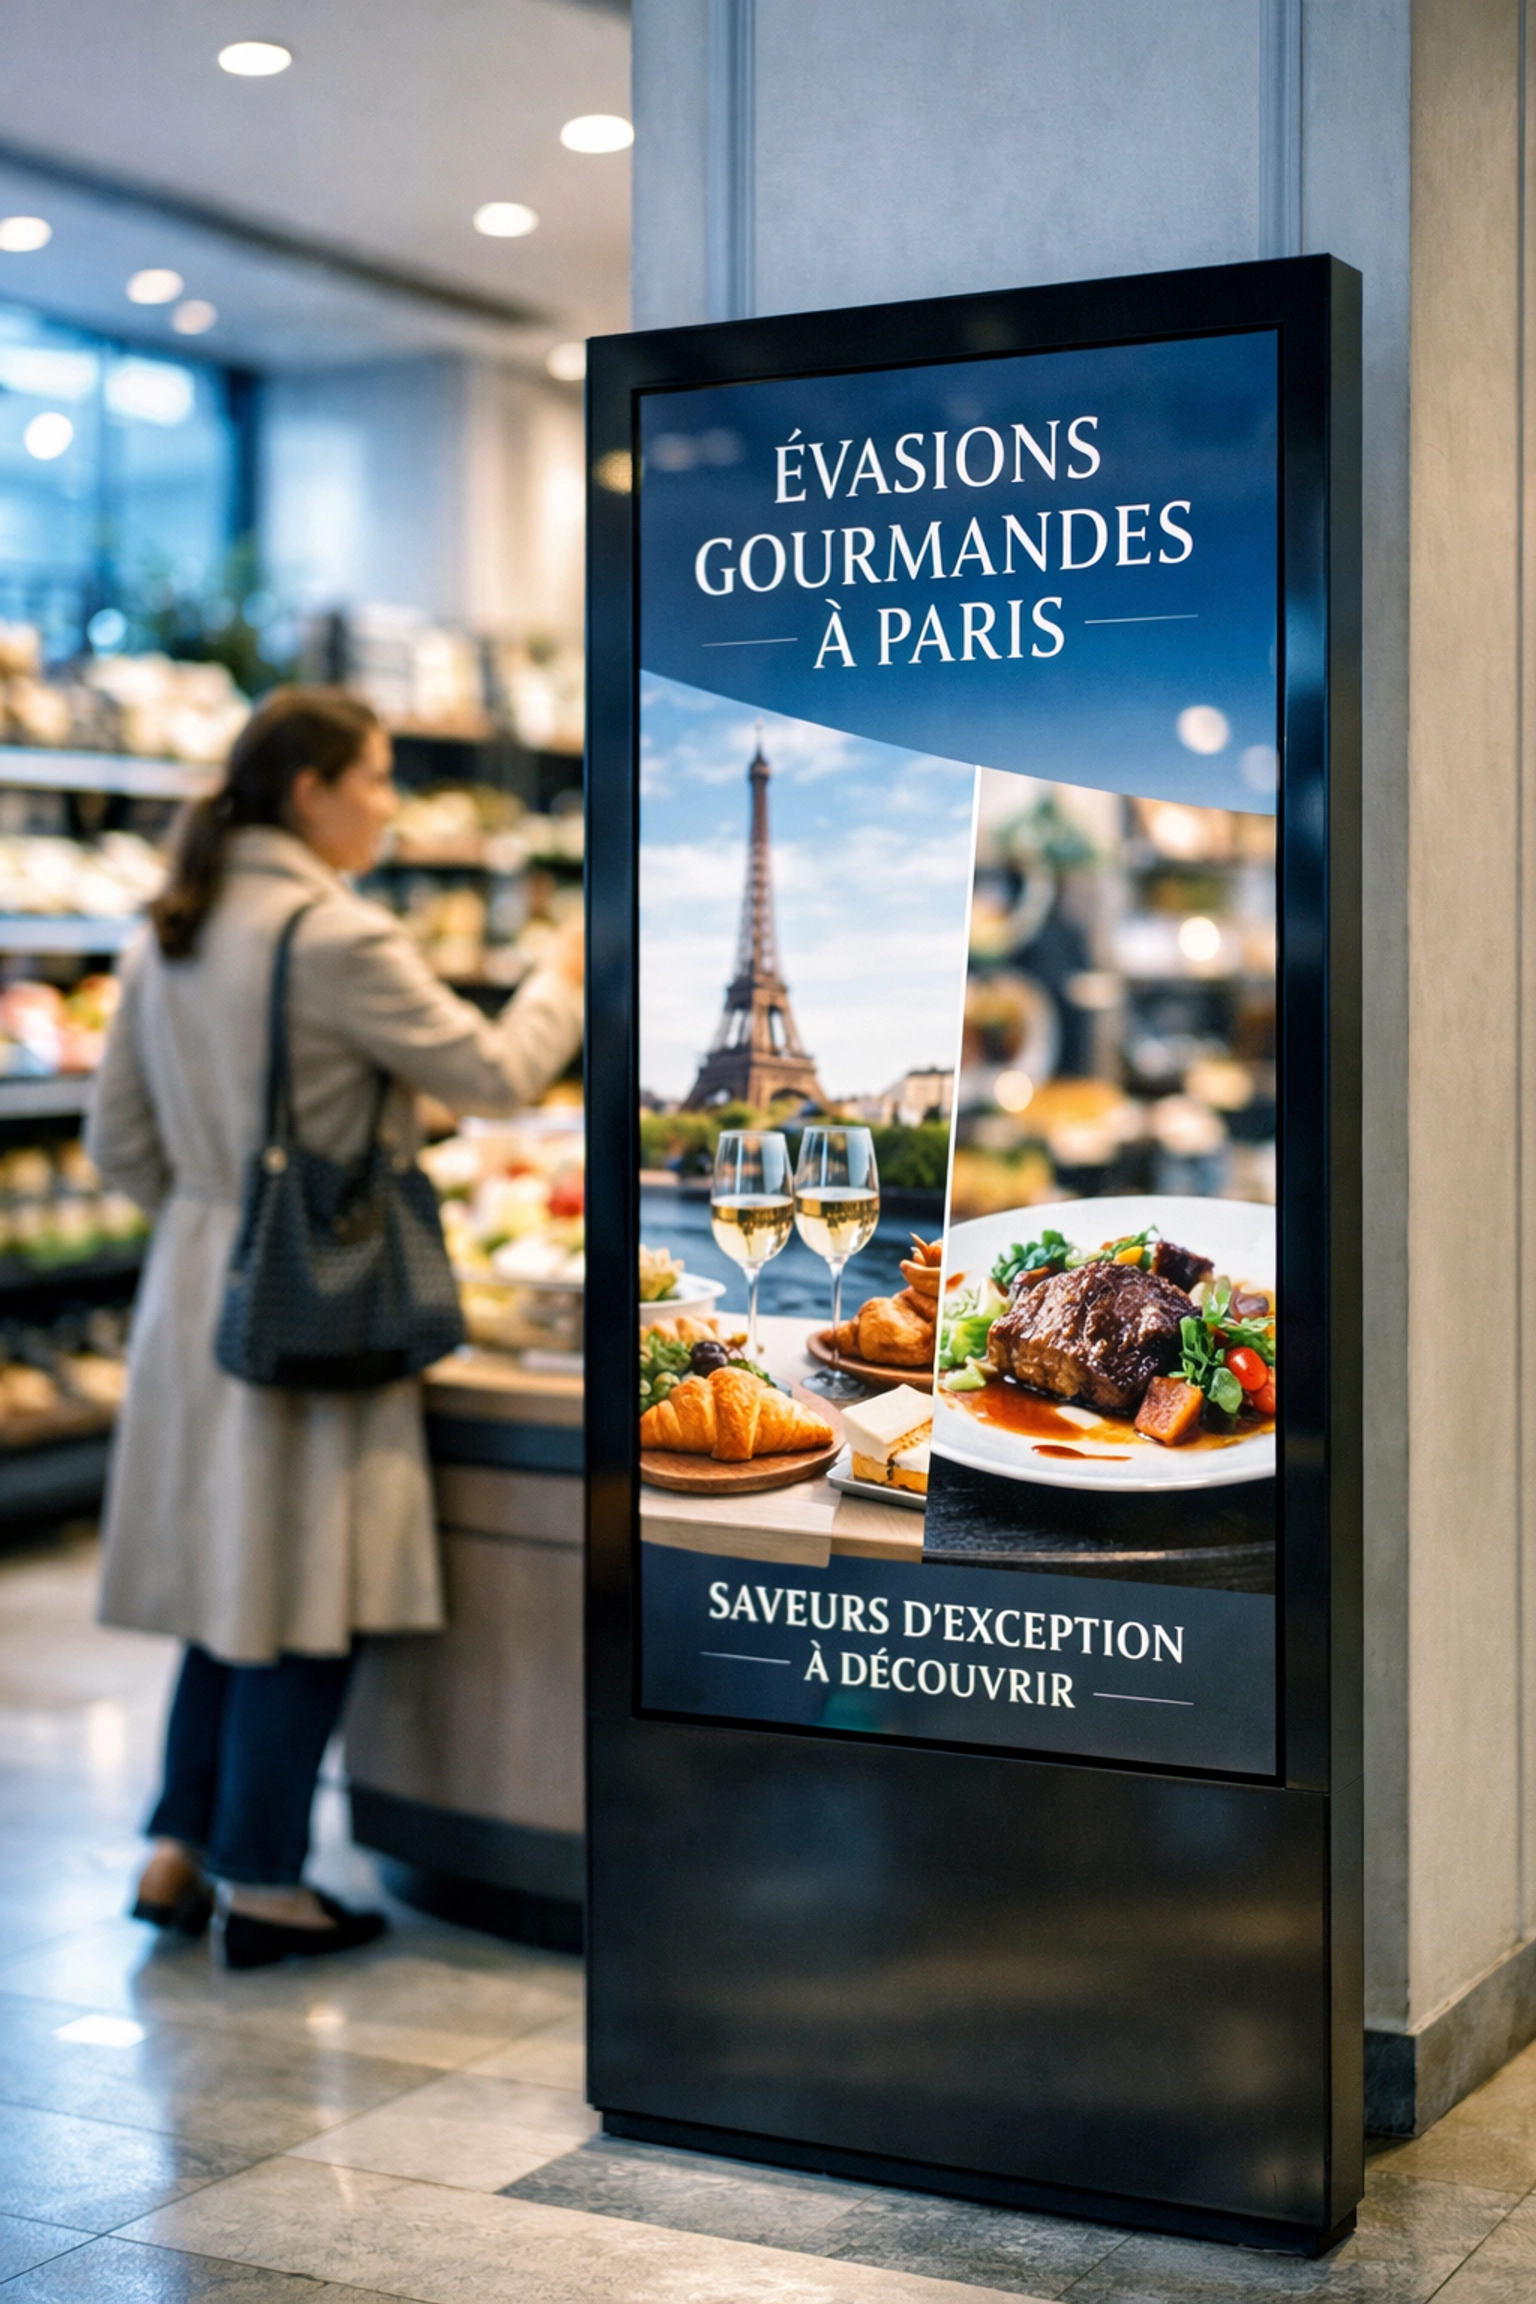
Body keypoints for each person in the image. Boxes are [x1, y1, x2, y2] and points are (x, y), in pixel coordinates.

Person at [87, 686, 584, 1969]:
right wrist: (562, 978)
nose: (389, 804)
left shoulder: (170, 928)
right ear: (309, 790)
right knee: (309, 1590)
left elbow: (116, 1145)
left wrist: (214, 1216)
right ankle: (264, 1882)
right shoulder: (333, 933)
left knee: (222, 1583)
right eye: (372, 779)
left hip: (197, 1280)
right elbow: (493, 1076)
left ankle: (176, 1843)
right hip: (313, 1300)